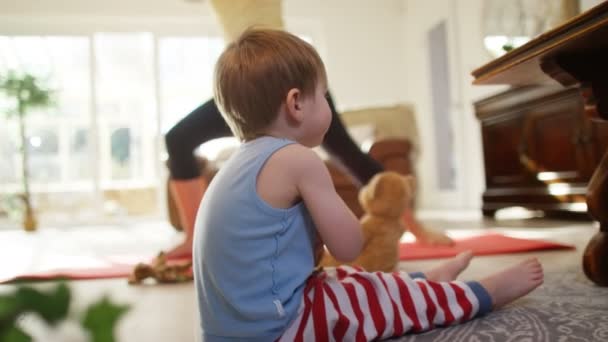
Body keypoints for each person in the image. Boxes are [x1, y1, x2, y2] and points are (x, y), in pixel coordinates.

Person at [193, 28, 544, 341]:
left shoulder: (232, 167)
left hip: (232, 329)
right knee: (368, 303)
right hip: (279, 328)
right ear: (296, 103)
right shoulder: (297, 159)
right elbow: (349, 245)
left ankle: (424, 282)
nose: (329, 106)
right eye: (325, 95)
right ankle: (480, 293)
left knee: (346, 281)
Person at [164, 0, 451, 260]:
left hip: (288, 73)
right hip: (243, 85)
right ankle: (194, 239)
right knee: (177, 139)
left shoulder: (303, 156)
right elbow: (349, 248)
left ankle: (415, 225)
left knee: (348, 154)